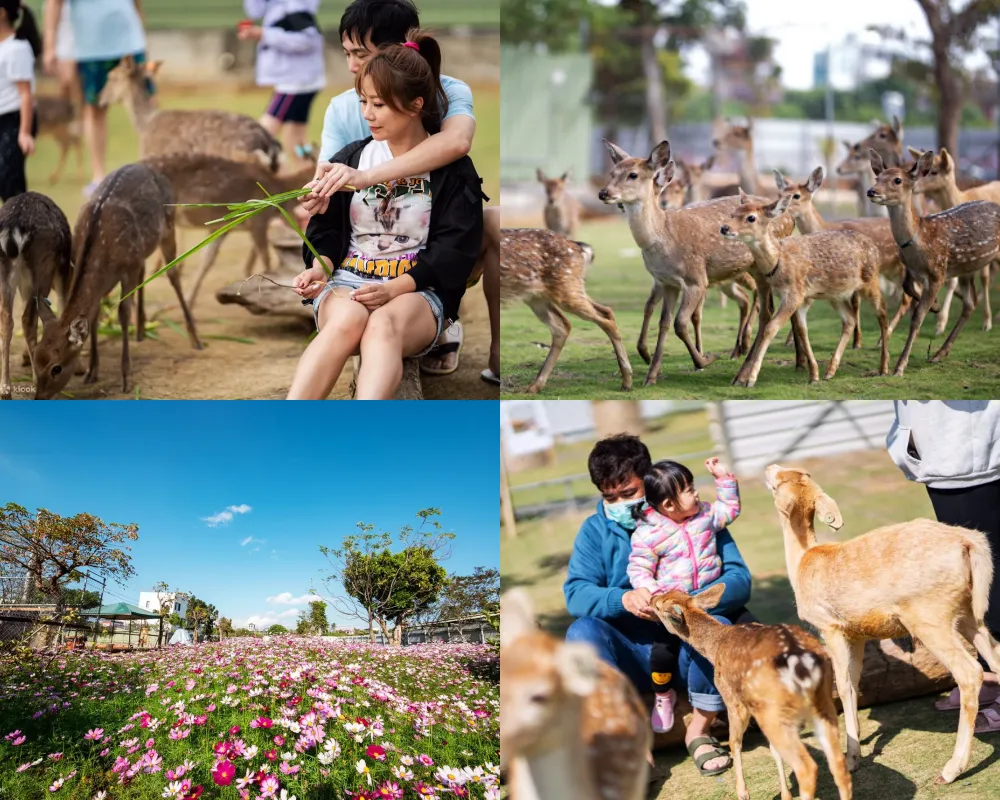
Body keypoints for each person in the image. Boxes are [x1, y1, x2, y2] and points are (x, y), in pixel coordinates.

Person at [286, 29, 484, 400]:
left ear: (414, 105)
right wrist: (319, 267)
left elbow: (454, 251)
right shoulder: (351, 159)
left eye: (379, 104)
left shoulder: (454, 171)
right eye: (364, 102)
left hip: (416, 292)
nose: (367, 115)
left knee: (383, 325)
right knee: (348, 318)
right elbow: (324, 229)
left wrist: (394, 288)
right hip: (346, 282)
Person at [565, 434, 756, 778]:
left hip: (689, 650)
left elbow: (739, 579)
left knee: (723, 627)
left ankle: (699, 730)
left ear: (650, 482)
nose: (619, 503)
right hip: (633, 657)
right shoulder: (594, 530)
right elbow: (576, 593)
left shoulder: (695, 517)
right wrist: (621, 599)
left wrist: (686, 605)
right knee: (581, 631)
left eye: (628, 494)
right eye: (609, 497)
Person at [887, 400, 1000, 732]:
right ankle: (988, 674)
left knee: (993, 582)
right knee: (971, 582)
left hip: (977, 451)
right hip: (944, 454)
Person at [626, 456, 741, 734]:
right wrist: (655, 595)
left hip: (708, 604)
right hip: (674, 610)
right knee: (662, 654)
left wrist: (724, 479)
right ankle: (663, 694)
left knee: (749, 632)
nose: (696, 492)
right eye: (689, 489)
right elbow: (638, 569)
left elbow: (730, 510)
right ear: (668, 504)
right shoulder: (647, 534)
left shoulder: (704, 515)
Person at [42, 0, 150, 197]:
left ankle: (153, 171)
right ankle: (99, 177)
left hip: (130, 41)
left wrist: (140, 26)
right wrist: (51, 46)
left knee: (146, 105)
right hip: (91, 47)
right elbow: (54, 3)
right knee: (94, 108)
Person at [239, 0, 326, 169]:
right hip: (299, 81)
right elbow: (254, 11)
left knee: (263, 134)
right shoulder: (279, 6)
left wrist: (263, 34)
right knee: (296, 140)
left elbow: (307, 40)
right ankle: (308, 174)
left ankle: (277, 174)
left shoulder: (296, 7)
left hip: (296, 82)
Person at [0, 0, 39, 201]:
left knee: (8, 177)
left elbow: (25, 93)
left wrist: (24, 132)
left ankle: (20, 227)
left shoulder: (17, 48)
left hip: (15, 120)